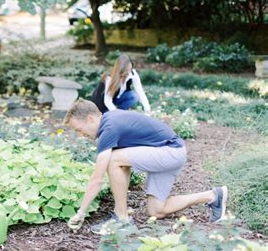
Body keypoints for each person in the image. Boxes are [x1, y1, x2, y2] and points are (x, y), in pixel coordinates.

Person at [64, 100, 228, 234]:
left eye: (79, 129)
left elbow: (97, 179)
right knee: (157, 211)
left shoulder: (109, 128)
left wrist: (81, 213)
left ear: (90, 119)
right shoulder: (110, 120)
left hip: (169, 152)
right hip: (169, 153)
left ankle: (122, 219)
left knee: (113, 159)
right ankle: (213, 196)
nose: (80, 134)